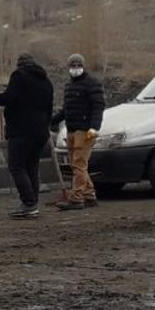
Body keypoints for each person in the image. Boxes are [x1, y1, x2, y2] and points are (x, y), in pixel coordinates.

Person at [0, 54, 54, 218]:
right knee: (31, 167)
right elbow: (49, 108)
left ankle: (28, 203)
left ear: (20, 65)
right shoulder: (46, 81)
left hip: (22, 131)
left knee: (17, 166)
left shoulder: (19, 76)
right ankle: (32, 203)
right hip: (41, 132)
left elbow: (8, 98)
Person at [50, 53, 105, 211]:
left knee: (78, 165)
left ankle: (76, 199)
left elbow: (98, 106)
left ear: (83, 66)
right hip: (72, 129)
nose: (75, 68)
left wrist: (94, 127)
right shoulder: (69, 86)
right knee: (78, 165)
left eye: (78, 65)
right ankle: (89, 196)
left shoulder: (92, 84)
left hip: (85, 130)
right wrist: (51, 121)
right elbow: (66, 110)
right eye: (72, 66)